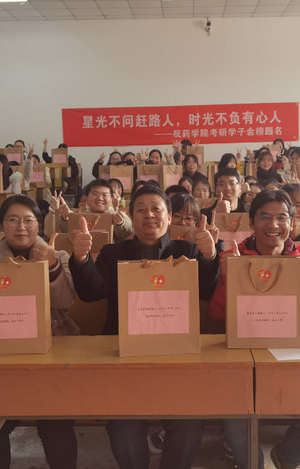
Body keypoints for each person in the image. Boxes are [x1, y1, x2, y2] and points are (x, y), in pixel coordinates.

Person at [68, 184, 219, 469]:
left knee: (189, 423)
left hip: (177, 355)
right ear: (130, 215)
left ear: (168, 216)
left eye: (156, 209)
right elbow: (91, 293)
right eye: (141, 210)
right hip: (125, 356)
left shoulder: (187, 250)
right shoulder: (113, 252)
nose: (149, 215)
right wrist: (81, 258)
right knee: (124, 428)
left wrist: (210, 256)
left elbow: (206, 292)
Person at [209, 189, 300, 469]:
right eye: (265, 217)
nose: (273, 225)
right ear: (251, 222)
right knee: (234, 425)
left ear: (292, 223)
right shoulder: (233, 257)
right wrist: (226, 279)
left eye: (282, 217)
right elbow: (217, 315)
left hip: (293, 356)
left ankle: (284, 458)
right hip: (242, 355)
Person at [0, 195, 78, 469]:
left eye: (28, 220)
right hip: (4, 358)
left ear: (38, 225)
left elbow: (65, 301)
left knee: (55, 423)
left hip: (52, 355)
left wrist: (51, 267)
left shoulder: (58, 255)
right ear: (1, 225)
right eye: (12, 220)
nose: (21, 227)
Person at [54, 179, 133, 243]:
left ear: (111, 200)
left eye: (105, 195)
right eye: (95, 194)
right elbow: (67, 233)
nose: (100, 198)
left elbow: (128, 234)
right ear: (86, 198)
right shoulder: (81, 216)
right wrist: (66, 218)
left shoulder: (117, 216)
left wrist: (121, 223)